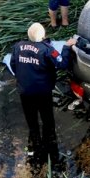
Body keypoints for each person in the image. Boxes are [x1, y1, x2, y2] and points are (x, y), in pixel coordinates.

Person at [10, 22, 77, 156]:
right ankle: (50, 148)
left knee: (31, 119)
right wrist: (66, 47)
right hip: (43, 91)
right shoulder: (47, 49)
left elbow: (13, 64)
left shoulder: (18, 46)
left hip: (25, 91)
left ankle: (33, 147)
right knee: (47, 119)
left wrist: (22, 78)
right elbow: (62, 63)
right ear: (43, 35)